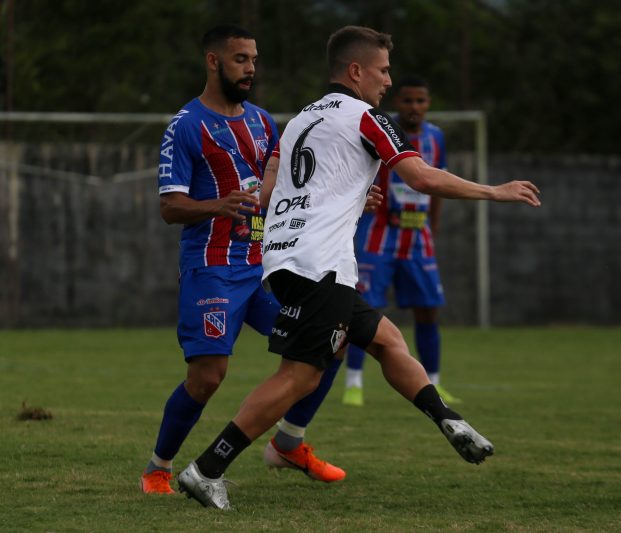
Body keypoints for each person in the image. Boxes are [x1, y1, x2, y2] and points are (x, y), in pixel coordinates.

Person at [177, 25, 541, 510]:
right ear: (356, 71)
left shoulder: (302, 119)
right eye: (383, 70)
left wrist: (349, 199)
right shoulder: (368, 117)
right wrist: (493, 191)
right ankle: (207, 468)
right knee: (300, 377)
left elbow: (280, 190)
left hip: (288, 258)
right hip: (319, 264)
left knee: (387, 340)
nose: (388, 81)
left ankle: (448, 418)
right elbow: (420, 177)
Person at [140, 24, 347, 495]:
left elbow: (284, 191)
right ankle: (157, 468)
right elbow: (170, 207)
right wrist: (219, 204)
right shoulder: (185, 125)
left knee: (330, 343)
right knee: (209, 375)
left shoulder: (261, 121)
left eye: (254, 58)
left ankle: (290, 443)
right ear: (213, 61)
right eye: (240, 59)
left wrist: (348, 201)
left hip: (258, 272)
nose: (251, 68)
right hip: (210, 270)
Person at [344, 75, 457, 408]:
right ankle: (354, 382)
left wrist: (432, 227)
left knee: (428, 309)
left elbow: (438, 183)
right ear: (397, 103)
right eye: (408, 101)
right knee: (364, 308)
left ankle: (434, 382)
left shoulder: (436, 137)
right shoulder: (380, 129)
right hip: (379, 233)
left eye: (421, 101)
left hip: (417, 236)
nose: (414, 107)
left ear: (428, 104)